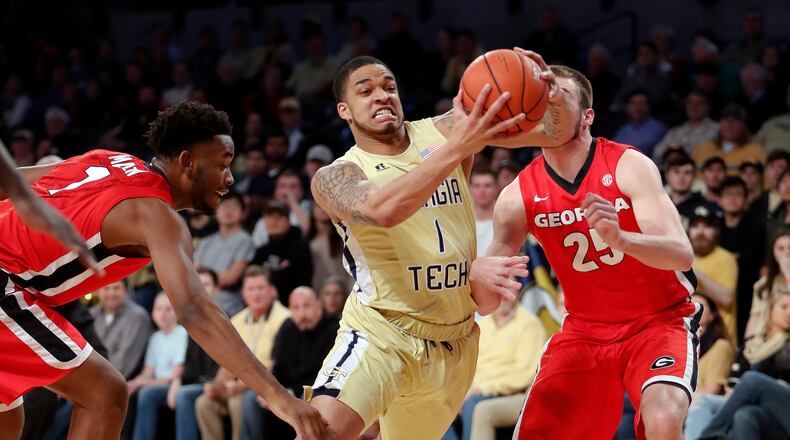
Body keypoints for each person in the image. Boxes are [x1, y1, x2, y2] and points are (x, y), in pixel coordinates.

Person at [0, 101, 326, 440]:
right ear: (188, 161)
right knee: (106, 395)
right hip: (5, 284)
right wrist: (279, 398)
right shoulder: (159, 216)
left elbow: (11, 182)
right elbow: (193, 309)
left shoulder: (108, 159)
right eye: (223, 164)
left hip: (14, 285)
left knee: (7, 421)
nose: (231, 178)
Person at [307, 51, 576, 440]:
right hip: (382, 331)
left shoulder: (445, 130)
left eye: (389, 87)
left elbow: (555, 132)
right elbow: (384, 210)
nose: (381, 95)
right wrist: (459, 146)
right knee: (321, 433)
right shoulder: (336, 176)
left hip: (454, 341)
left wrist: (547, 92)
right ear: (345, 110)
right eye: (366, 91)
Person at [487, 65, 701, 439]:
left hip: (658, 321)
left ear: (587, 116)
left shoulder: (628, 165)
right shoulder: (517, 196)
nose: (549, 100)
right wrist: (476, 276)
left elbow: (681, 254)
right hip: (584, 330)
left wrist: (623, 240)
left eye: (560, 95)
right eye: (542, 96)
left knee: (663, 418)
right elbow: (486, 301)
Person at [195, 266, 290, 440]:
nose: (255, 294)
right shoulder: (237, 319)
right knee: (204, 402)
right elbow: (229, 361)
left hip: (269, 387)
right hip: (238, 387)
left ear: (271, 290)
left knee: (238, 402)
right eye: (250, 289)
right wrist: (218, 385)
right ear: (243, 293)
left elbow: (274, 364)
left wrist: (242, 386)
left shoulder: (284, 318)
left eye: (260, 288)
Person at [442, 293, 546, 440]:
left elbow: (524, 376)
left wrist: (481, 389)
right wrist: (460, 391)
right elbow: (468, 365)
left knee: (472, 404)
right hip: (475, 390)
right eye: (501, 291)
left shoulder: (529, 324)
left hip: (510, 392)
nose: (506, 296)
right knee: (440, 405)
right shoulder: (481, 325)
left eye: (511, 291)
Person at [241, 286, 339, 439]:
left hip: (315, 391)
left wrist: (288, 392)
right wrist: (269, 390)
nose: (302, 313)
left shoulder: (334, 329)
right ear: (290, 310)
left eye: (306, 306)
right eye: (296, 308)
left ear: (318, 306)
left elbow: (326, 375)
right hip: (288, 390)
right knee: (250, 399)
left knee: (304, 400)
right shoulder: (287, 327)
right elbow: (278, 367)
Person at [129, 293, 189, 440]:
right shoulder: (155, 337)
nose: (163, 314)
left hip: (174, 385)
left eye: (168, 309)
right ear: (153, 313)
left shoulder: (182, 334)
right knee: (127, 391)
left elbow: (176, 374)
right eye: (158, 309)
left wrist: (144, 383)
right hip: (156, 384)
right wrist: (133, 383)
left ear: (176, 312)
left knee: (147, 393)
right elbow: (147, 372)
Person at [91, 279, 152, 379]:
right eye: (106, 288)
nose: (111, 293)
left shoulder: (137, 317)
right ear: (98, 291)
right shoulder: (91, 315)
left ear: (126, 291)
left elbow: (125, 359)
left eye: (117, 288)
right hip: (90, 379)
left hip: (118, 382)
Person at [469, 167, 499, 258]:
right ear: (469, 188)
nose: (482, 191)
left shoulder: (507, 221)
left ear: (496, 188)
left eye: (487, 185)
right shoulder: (461, 220)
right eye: (477, 186)